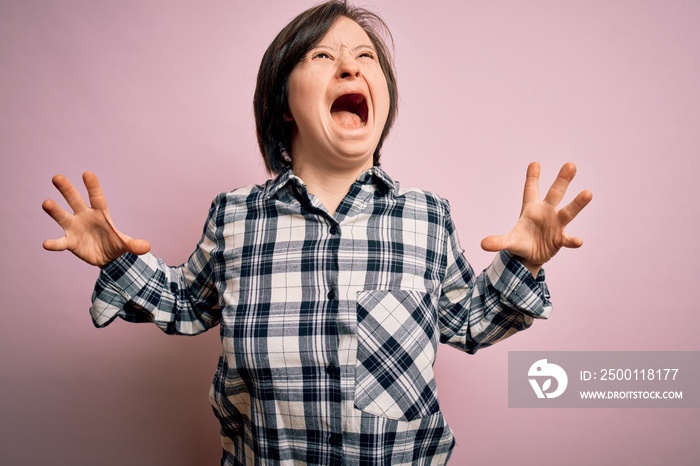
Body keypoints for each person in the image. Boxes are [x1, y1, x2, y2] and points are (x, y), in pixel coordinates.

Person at [42, 1, 592, 465]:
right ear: (283, 103)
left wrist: (524, 264)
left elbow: (465, 321)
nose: (350, 68)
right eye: (323, 56)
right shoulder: (236, 217)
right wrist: (116, 261)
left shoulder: (427, 216)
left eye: (365, 57)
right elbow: (186, 304)